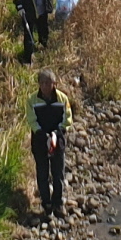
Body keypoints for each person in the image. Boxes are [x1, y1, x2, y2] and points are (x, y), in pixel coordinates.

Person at [26, 70, 71, 218]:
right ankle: (46, 204)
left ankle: (58, 203)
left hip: (57, 140)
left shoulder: (63, 98)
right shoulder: (32, 100)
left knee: (58, 173)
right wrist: (41, 134)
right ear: (39, 84)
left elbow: (68, 119)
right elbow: (31, 120)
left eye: (48, 83)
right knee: (42, 173)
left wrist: (57, 132)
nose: (45, 86)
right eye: (42, 83)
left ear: (54, 84)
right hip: (39, 141)